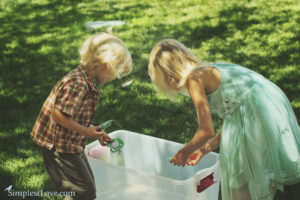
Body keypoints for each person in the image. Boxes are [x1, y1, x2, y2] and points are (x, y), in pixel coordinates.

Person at [148, 39, 300, 200]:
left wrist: (184, 152)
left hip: (256, 111)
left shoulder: (194, 80)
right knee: (256, 159)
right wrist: (203, 150)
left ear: (167, 75)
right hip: (268, 101)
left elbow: (206, 130)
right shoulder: (209, 68)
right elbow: (233, 120)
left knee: (239, 169)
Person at [31, 32, 132, 200]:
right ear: (104, 65)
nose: (114, 78)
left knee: (84, 189)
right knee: (83, 192)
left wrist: (92, 130)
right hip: (59, 147)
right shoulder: (78, 84)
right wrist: (85, 132)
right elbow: (58, 115)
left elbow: (71, 115)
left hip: (69, 143)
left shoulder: (85, 80)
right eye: (115, 73)